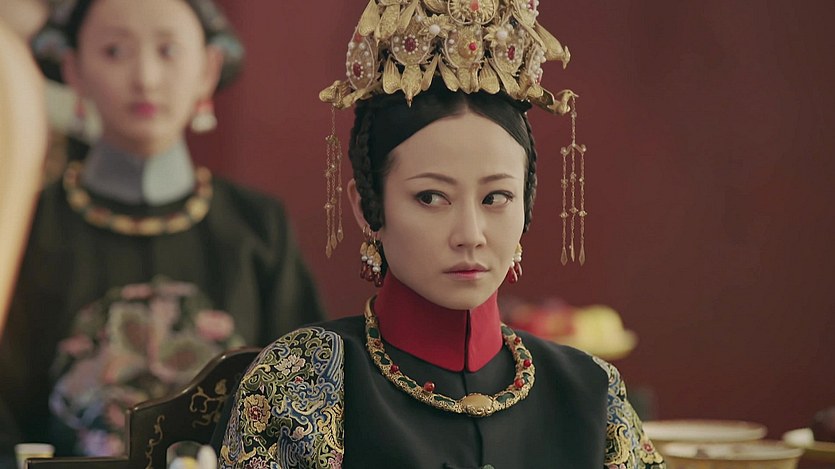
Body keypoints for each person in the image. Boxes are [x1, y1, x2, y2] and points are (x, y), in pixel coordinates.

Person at [217, 0, 665, 467]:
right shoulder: (303, 382)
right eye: (431, 197)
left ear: (527, 203)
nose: (470, 235)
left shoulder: (591, 394)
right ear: (367, 207)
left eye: (496, 198)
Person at [0, 0, 325, 460]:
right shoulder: (29, 222)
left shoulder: (258, 227)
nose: (146, 78)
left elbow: (306, 391)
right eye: (115, 51)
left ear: (208, 69)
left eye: (168, 50)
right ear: (74, 69)